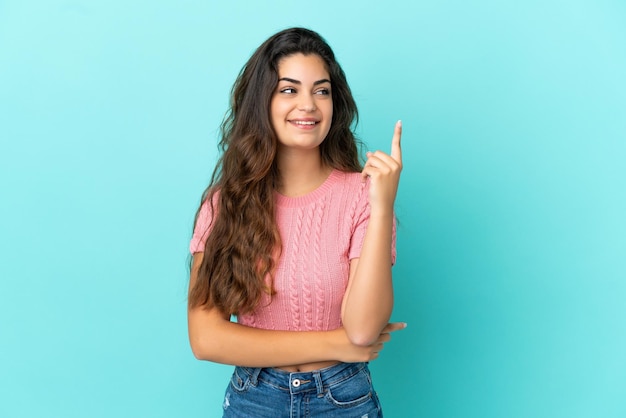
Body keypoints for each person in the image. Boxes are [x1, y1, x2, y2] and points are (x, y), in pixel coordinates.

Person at [188, 27, 405, 417]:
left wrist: (383, 206)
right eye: (289, 90)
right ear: (263, 102)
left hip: (343, 400)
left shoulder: (363, 196)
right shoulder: (224, 203)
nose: (308, 104)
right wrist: (334, 345)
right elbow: (205, 338)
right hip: (254, 397)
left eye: (321, 91)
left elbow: (362, 330)